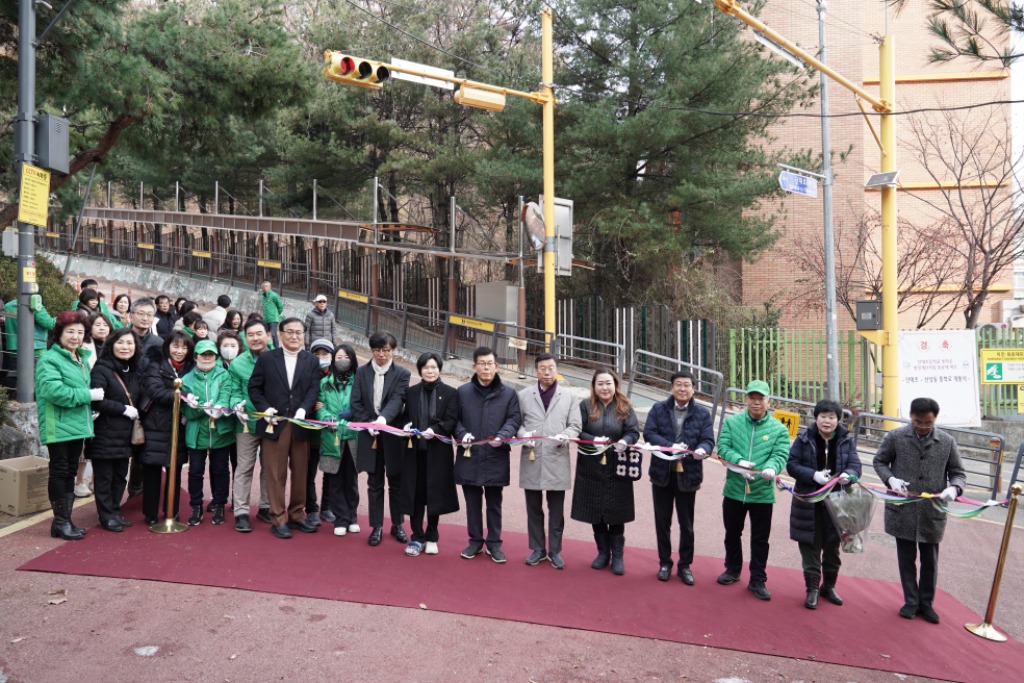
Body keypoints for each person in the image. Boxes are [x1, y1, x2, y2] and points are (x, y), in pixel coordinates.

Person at [873, 397, 966, 624]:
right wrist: (891, 479)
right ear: (910, 416)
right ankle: (911, 601)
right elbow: (879, 461)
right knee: (906, 558)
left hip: (932, 510)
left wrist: (954, 488)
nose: (922, 427)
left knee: (930, 560)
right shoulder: (896, 437)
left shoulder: (947, 442)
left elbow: (958, 472)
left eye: (927, 423)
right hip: (902, 508)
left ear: (935, 419)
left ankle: (927, 604)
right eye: (917, 422)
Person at [715, 379, 791, 601]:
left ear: (769, 401)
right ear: (746, 399)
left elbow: (780, 454)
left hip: (762, 493)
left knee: (760, 539)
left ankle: (758, 579)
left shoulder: (779, 429)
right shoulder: (732, 422)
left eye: (761, 398)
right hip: (734, 489)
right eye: (752, 398)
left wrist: (771, 467)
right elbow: (724, 447)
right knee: (732, 532)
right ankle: (732, 568)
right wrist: (739, 462)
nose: (756, 402)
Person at [247, 316, 321, 539]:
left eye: (299, 332)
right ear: (279, 334)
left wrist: (304, 410)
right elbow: (254, 388)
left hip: (299, 424)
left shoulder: (311, 360)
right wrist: (265, 408)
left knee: (300, 472)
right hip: (274, 424)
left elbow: (313, 389)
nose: (294, 336)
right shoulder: (267, 359)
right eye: (289, 331)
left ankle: (297, 515)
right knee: (275, 473)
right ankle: (277, 518)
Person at [643, 370, 716, 585]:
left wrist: (703, 448)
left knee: (687, 524)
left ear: (693, 388)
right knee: (662, 521)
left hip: (688, 475)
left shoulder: (702, 413)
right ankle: (665, 562)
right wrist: (669, 445)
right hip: (661, 473)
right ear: (671, 387)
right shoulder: (659, 409)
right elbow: (648, 433)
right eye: (678, 385)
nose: (682, 389)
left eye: (686, 385)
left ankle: (685, 565)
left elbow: (708, 440)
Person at [787, 400, 861, 609]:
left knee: (832, 546)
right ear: (816, 417)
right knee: (810, 545)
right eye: (823, 416)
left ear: (838, 420)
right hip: (808, 502)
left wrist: (850, 475)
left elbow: (855, 465)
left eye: (831, 417)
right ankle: (812, 589)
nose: (827, 421)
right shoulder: (804, 438)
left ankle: (828, 586)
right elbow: (792, 465)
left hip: (837, 503)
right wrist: (813, 475)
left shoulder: (846, 440)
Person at [35, 310, 100, 540]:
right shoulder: (50, 359)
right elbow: (53, 392)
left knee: (70, 472)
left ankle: (63, 522)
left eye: (80, 332)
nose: (75, 336)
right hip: (58, 425)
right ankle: (61, 522)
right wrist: (88, 395)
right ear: (59, 333)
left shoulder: (79, 358)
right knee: (60, 472)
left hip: (76, 425)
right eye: (70, 331)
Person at [454, 346, 522, 563]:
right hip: (469, 455)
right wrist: (462, 433)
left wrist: (503, 435)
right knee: (472, 502)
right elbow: (453, 419)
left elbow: (514, 419)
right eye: (481, 363)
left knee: (494, 503)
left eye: (490, 363)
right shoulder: (462, 392)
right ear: (474, 366)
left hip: (495, 456)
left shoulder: (509, 393)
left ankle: (494, 543)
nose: (486, 367)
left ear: (496, 366)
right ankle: (475, 541)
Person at [571, 368, 640, 575]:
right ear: (594, 386)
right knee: (595, 510)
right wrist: (593, 440)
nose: (604, 387)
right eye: (600, 383)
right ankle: (603, 553)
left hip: (616, 465)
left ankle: (617, 555)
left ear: (615, 384)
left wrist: (625, 441)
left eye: (608, 383)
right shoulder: (585, 406)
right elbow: (576, 429)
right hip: (590, 465)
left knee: (616, 512)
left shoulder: (625, 406)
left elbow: (633, 431)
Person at [516, 353, 581, 569]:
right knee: (533, 507)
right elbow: (516, 423)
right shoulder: (524, 395)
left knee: (556, 509)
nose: (547, 372)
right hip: (532, 457)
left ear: (557, 370)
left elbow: (575, 425)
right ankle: (537, 549)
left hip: (556, 457)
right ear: (536, 370)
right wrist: (523, 434)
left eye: (551, 368)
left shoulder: (569, 397)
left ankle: (555, 550)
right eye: (542, 368)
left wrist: (565, 435)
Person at [351, 331, 411, 546]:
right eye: (377, 350)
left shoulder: (402, 373)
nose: (381, 354)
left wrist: (383, 419)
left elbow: (398, 399)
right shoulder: (362, 372)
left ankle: (398, 525)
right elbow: (355, 402)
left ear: (393, 350)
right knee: (374, 482)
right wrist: (368, 423)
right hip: (370, 434)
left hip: (392, 433)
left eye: (386, 350)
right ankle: (376, 526)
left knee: (395, 482)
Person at [399, 352, 460, 556]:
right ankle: (416, 537)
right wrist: (406, 425)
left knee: (434, 494)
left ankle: (432, 535)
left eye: (433, 367)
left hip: (438, 453)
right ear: (420, 370)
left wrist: (436, 429)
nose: (430, 371)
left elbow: (451, 420)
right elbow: (404, 417)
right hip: (414, 453)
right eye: (426, 367)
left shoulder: (451, 393)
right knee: (415, 494)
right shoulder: (411, 392)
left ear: (439, 369)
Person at [86, 327, 142, 532]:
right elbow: (97, 400)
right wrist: (123, 409)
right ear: (111, 344)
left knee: (120, 475)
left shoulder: (132, 370)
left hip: (125, 435)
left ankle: (115, 511)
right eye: (120, 342)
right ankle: (106, 515)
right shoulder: (102, 368)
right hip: (105, 432)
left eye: (129, 343)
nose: (125, 347)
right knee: (105, 477)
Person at [140, 331, 194, 525]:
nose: (179, 351)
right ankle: (150, 513)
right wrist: (182, 396)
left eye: (184, 347)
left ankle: (172, 509)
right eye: (175, 346)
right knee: (152, 471)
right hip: (156, 424)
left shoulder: (191, 367)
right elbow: (154, 390)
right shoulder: (156, 364)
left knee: (175, 470)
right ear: (167, 346)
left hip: (179, 425)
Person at [180, 340, 236, 527]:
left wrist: (219, 407)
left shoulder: (224, 375)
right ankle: (196, 505)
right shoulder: (186, 380)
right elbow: (186, 412)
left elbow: (226, 395)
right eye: (203, 354)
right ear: (196, 357)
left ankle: (219, 503)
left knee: (221, 469)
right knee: (195, 471)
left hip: (220, 432)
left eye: (210, 354)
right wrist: (199, 409)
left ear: (216, 357)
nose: (207, 358)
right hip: (196, 434)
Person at [225, 319, 273, 532]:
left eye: (259, 333)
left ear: (268, 335)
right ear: (245, 337)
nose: (255, 338)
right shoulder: (238, 363)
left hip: (273, 423)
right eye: (250, 334)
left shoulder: (278, 359)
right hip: (246, 424)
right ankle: (241, 511)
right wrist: (236, 404)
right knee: (244, 467)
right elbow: (234, 390)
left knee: (270, 467)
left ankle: (266, 506)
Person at [317, 344, 361, 537]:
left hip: (353, 437)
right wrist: (326, 417)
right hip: (331, 437)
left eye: (346, 357)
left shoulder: (359, 382)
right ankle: (341, 518)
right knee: (334, 480)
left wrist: (355, 413)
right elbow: (319, 406)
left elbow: (365, 405)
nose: (342, 361)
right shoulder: (324, 383)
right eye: (338, 357)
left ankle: (352, 516)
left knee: (351, 479)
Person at [74, 312, 111, 499]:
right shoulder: (83, 347)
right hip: (87, 400)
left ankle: (95, 480)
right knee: (84, 445)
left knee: (101, 444)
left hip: (106, 401)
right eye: (98, 325)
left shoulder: (113, 346)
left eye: (105, 325)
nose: (102, 328)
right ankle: (79, 481)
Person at [304, 338, 336, 526]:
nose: (321, 358)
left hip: (330, 433)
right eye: (317, 354)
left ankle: (327, 507)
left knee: (330, 471)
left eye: (325, 354)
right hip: (311, 434)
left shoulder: (339, 376)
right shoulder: (307, 372)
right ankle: (311, 508)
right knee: (308, 472)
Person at [3, 294, 56, 371]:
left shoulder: (8, 306)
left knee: (17, 376)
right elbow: (50, 324)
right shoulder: (34, 305)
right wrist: (63, 318)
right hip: (35, 350)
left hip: (14, 349)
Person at [260, 281, 284, 348]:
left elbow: (280, 306)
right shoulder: (263, 297)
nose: (264, 288)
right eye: (263, 286)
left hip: (273, 319)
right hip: (266, 319)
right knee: (266, 334)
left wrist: (276, 314)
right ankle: (268, 347)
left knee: (273, 334)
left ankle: (276, 348)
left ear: (270, 287)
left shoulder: (274, 295)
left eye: (266, 286)